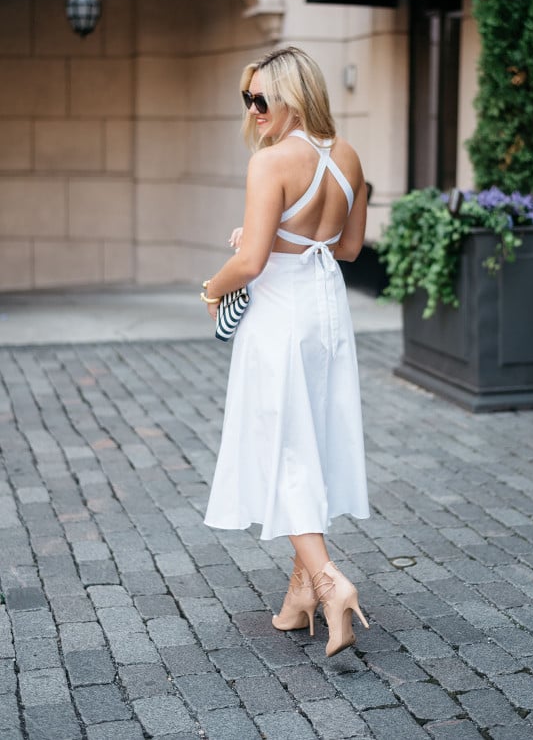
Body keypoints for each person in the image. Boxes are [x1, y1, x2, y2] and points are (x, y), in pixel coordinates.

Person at [201, 47, 370, 657]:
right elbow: (348, 248)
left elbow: (250, 264)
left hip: (279, 316)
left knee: (281, 447)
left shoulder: (272, 163)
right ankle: (299, 598)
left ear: (291, 95)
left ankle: (329, 583)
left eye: (260, 98)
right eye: (247, 99)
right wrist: (268, 239)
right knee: (309, 440)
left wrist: (211, 288)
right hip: (326, 312)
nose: (253, 110)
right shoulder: (347, 155)